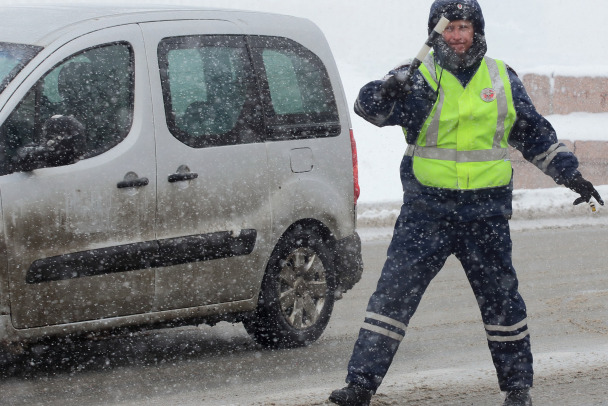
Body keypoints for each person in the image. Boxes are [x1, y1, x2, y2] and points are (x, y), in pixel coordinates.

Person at [329, 1, 604, 405]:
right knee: (391, 299)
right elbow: (369, 108)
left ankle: (517, 389)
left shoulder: (501, 77)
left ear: (477, 31)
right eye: (449, 28)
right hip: (426, 213)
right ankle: (360, 386)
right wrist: (385, 90)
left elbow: (533, 133)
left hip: (485, 215)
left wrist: (569, 173)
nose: (457, 36)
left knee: (502, 302)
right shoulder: (416, 76)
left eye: (464, 27)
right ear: (435, 33)